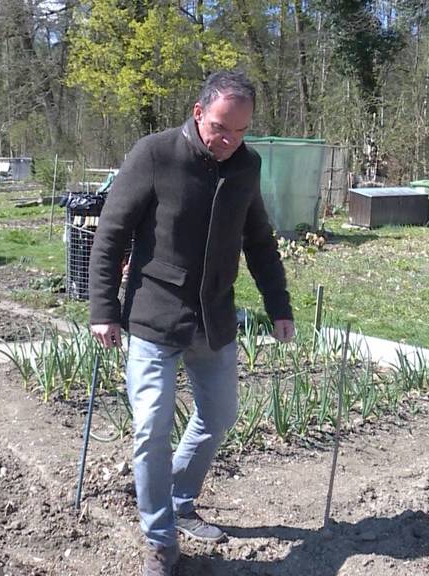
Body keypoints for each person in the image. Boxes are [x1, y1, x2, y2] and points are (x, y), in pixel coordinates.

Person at [88, 70, 295, 576]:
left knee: (220, 415)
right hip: (156, 315)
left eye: (240, 132)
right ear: (199, 111)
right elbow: (111, 233)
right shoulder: (155, 154)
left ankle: (180, 498)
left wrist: (279, 305)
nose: (229, 141)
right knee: (151, 427)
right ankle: (161, 542)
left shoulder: (246, 167)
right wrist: (103, 310)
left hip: (215, 317)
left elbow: (260, 241)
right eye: (222, 128)